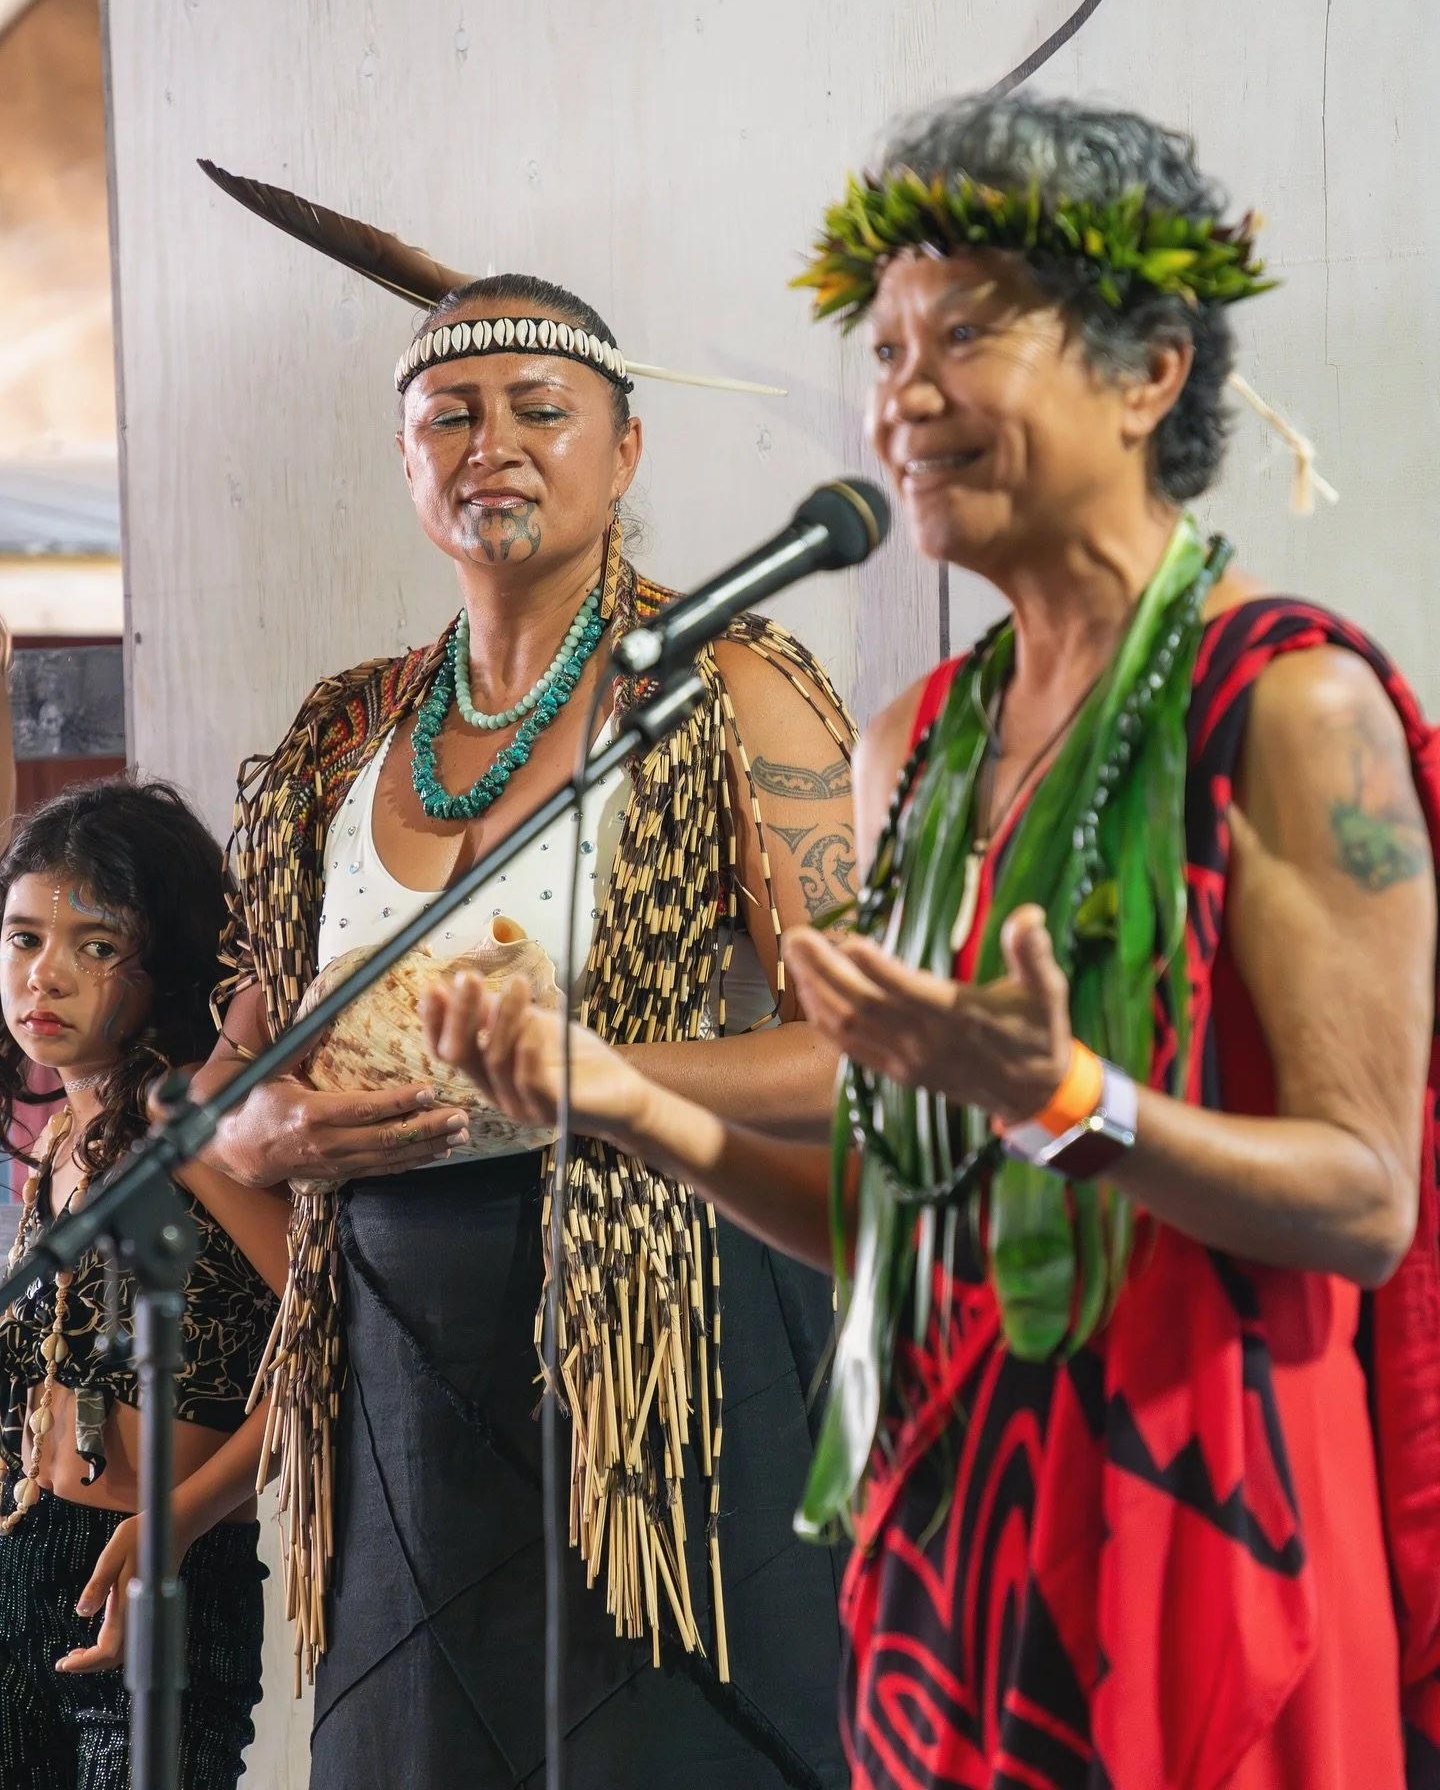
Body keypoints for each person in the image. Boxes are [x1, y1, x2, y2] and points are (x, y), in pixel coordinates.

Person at [422, 96, 1440, 1790]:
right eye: (885, 347)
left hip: (1206, 1521)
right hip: (953, 1531)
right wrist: (620, 1102)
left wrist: (1069, 1099)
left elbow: (1363, 1199)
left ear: (1149, 372)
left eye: (961, 336)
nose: (899, 395)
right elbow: (902, 1218)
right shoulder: (922, 743)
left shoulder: (1289, 707)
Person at [192, 271, 855, 1787]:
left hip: (671, 1357)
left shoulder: (729, 690)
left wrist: (598, 1080)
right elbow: (232, 1069)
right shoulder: (344, 733)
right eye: (449, 414)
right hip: (399, 1384)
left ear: (623, 453)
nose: (491, 441)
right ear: (406, 463)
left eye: (540, 409)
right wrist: (254, 1130)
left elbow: (861, 1052)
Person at [0, 778, 288, 1790]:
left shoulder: (196, 1134)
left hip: (171, 1570)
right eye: (24, 937)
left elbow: (331, 1354)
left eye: (96, 945)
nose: (47, 977)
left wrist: (179, 1524)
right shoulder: (53, 1152)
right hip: (26, 1566)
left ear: (161, 956)